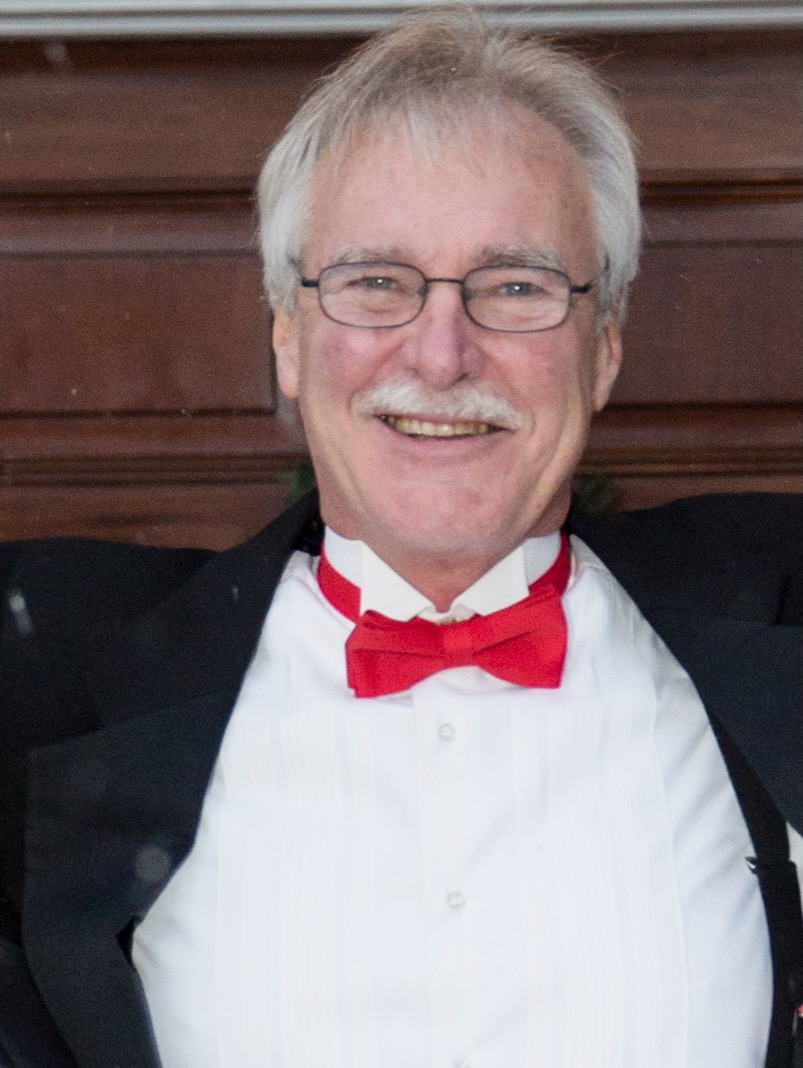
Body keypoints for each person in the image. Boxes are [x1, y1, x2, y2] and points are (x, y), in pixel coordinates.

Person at [1, 10, 801, 1068]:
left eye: (514, 286)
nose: (439, 353)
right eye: (375, 282)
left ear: (603, 347)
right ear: (287, 336)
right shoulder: (46, 681)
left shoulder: (775, 635)